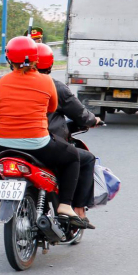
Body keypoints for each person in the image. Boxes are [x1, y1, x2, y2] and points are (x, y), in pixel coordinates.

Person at [0, 36, 88, 229]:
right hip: (39, 145)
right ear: (35, 59)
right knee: (73, 156)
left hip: (3, 144)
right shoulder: (47, 81)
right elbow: (52, 108)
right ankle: (65, 205)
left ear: (8, 59)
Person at [35, 43, 100, 226]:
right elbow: (80, 114)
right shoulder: (53, 87)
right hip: (42, 143)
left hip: (6, 144)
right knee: (82, 158)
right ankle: (75, 209)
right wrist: (93, 120)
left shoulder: (2, 83)